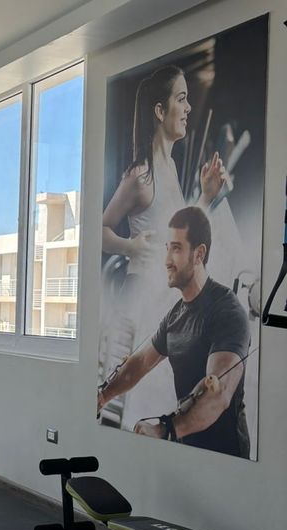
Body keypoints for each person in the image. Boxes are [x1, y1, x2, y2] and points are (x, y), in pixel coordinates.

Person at [97, 206, 250, 458]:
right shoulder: (175, 315)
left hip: (228, 459)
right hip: (187, 448)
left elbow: (218, 392)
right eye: (167, 248)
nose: (167, 260)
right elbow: (140, 363)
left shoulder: (227, 311)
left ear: (199, 254)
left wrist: (165, 429)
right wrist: (102, 396)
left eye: (176, 249)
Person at [102, 65, 226, 288]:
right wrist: (129, 247)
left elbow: (182, 232)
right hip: (141, 292)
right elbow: (100, 231)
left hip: (164, 292)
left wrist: (206, 195)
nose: (188, 107)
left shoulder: (171, 167)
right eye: (181, 99)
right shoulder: (140, 176)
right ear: (160, 112)